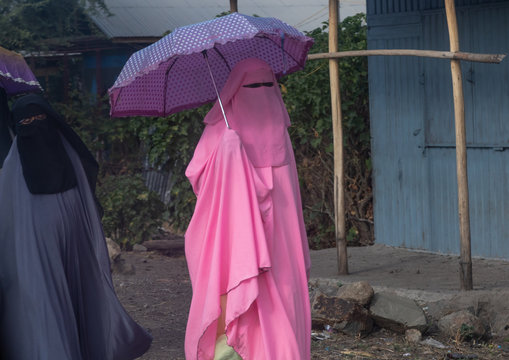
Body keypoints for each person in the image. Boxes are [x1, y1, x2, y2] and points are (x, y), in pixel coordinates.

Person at [0, 94, 152, 359]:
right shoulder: (12, 168)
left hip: (73, 239)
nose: (33, 125)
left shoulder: (68, 156)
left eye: (39, 118)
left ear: (52, 120)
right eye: (26, 121)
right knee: (44, 292)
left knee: (76, 286)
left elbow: (84, 204)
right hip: (35, 247)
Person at [184, 58, 311, 360]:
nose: (262, 92)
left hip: (280, 242)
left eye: (268, 85)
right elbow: (198, 176)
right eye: (253, 86)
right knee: (240, 302)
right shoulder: (222, 128)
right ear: (235, 90)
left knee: (282, 304)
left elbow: (287, 192)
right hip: (236, 238)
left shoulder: (279, 129)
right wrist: (227, 156)